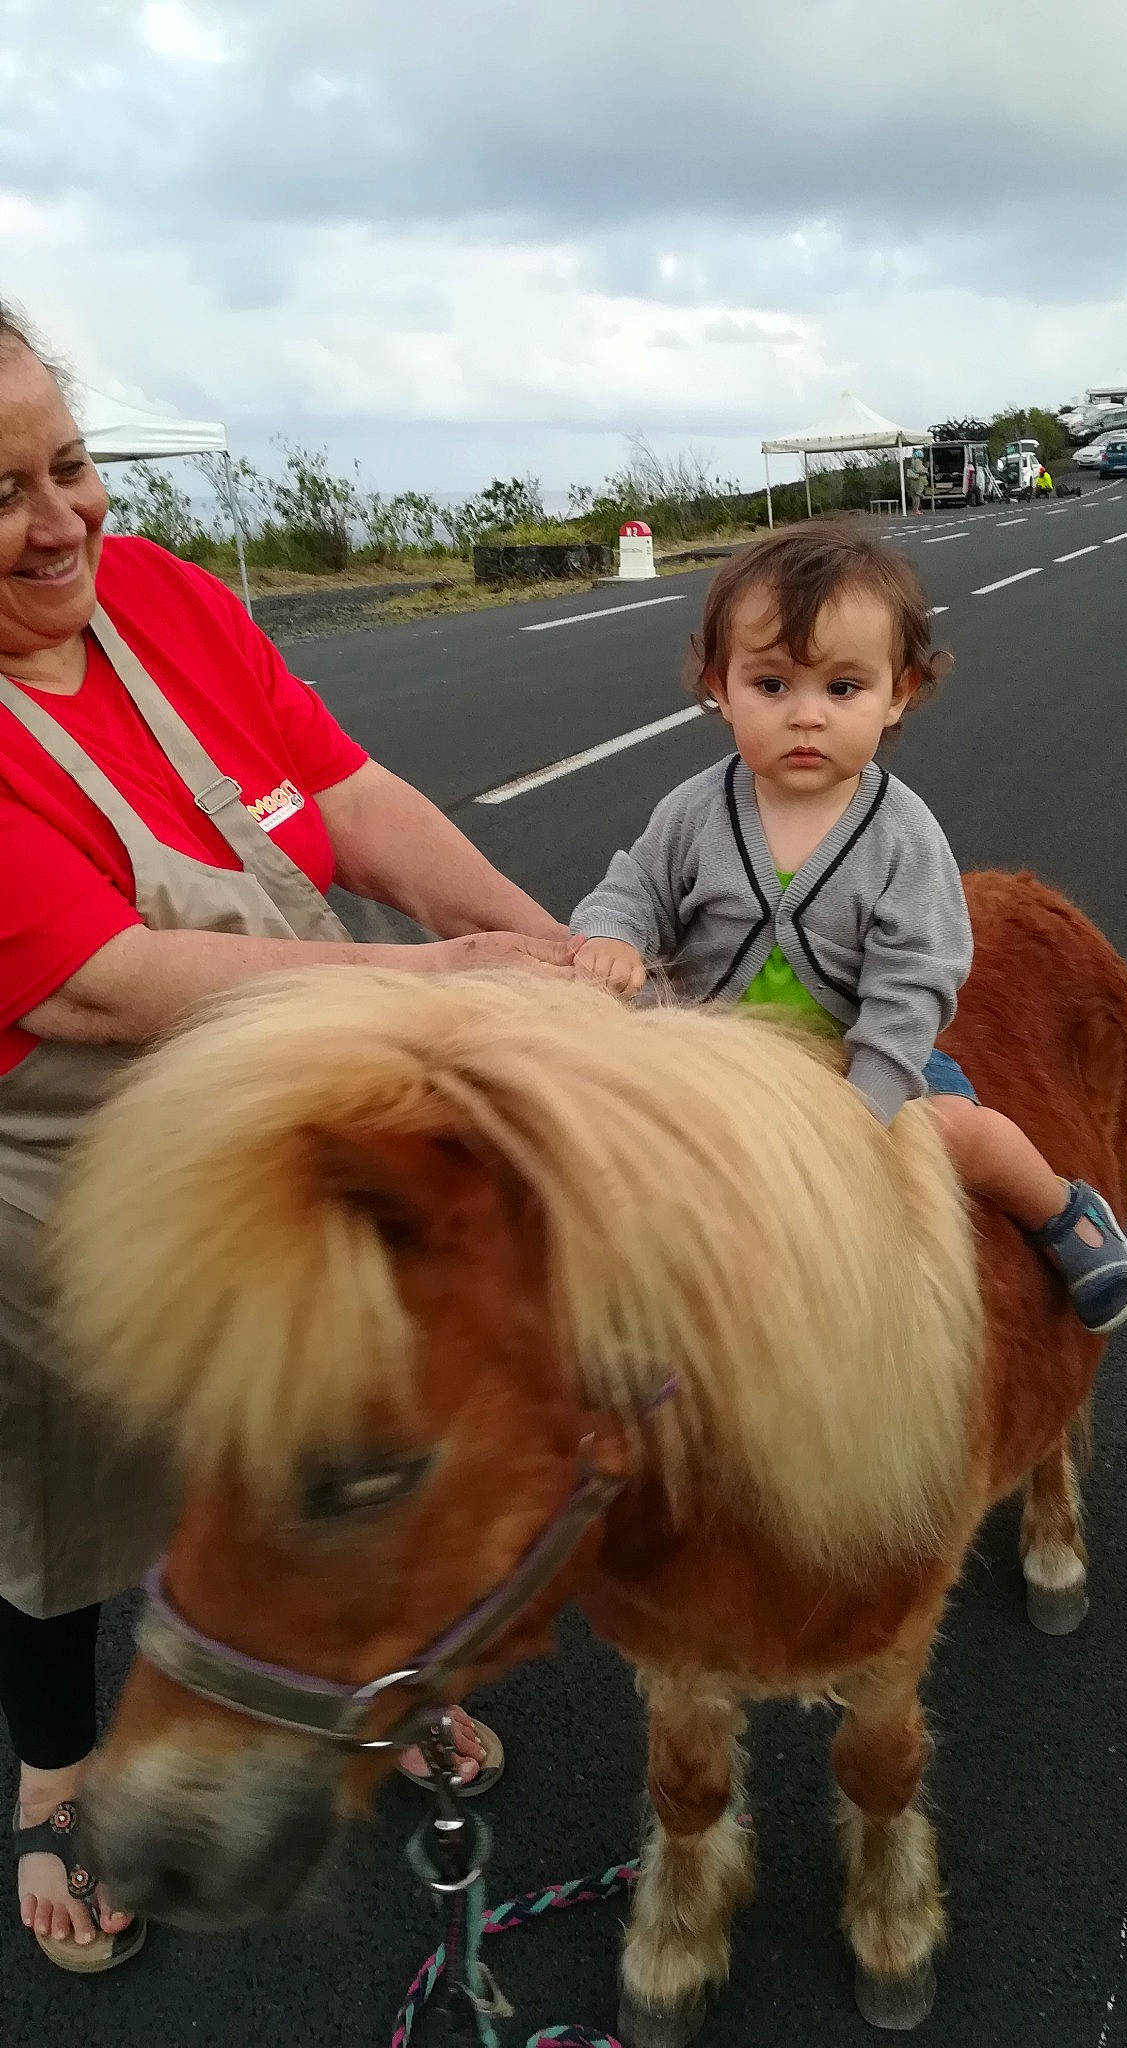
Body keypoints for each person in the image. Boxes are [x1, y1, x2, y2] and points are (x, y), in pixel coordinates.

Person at [0, 302, 565, 1970]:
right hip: (69, 1152)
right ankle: (52, 1771)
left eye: (70, 463)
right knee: (65, 1473)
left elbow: (347, 797)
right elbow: (106, 981)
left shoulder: (161, 594)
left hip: (283, 1109)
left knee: (320, 1428)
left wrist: (537, 957)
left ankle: (358, 1688)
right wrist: (446, 991)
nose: (60, 523)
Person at [568, 523, 1127, 1335]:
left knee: (958, 1134)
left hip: (858, 1059)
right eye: (772, 685)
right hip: (707, 1062)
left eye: (843, 689)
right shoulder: (694, 813)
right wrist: (611, 936)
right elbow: (634, 889)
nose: (807, 717)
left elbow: (917, 979)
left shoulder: (904, 836)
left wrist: (864, 1101)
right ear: (718, 685)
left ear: (899, 692)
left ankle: (1061, 1213)